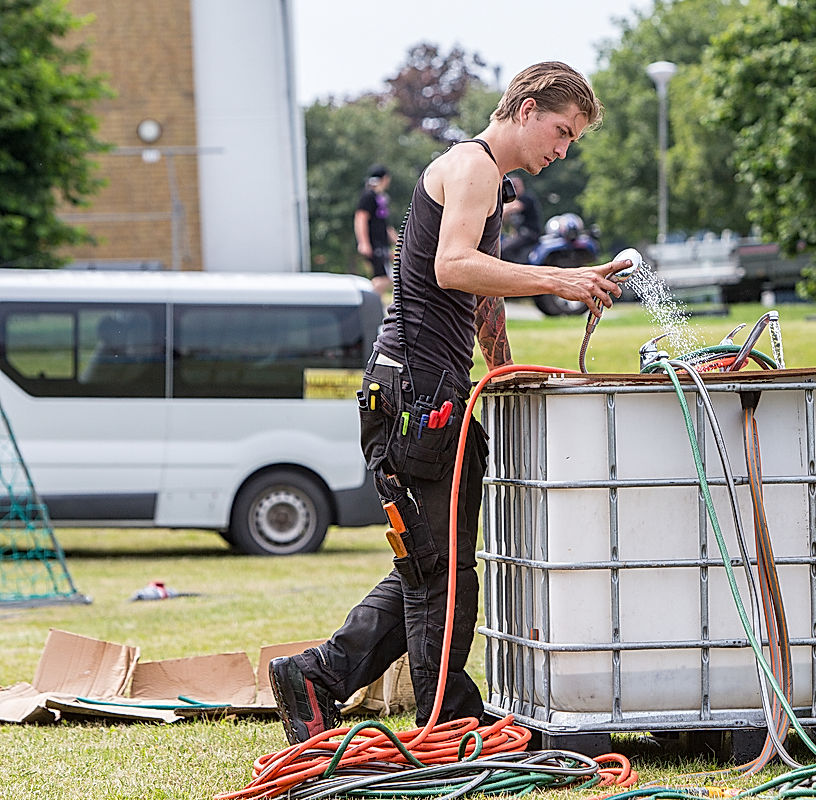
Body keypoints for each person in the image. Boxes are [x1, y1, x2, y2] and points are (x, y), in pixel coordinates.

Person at [268, 61, 629, 745]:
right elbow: (452, 266)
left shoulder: (491, 179)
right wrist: (563, 279)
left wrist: (508, 372)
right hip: (415, 393)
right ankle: (444, 717)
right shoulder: (473, 168)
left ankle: (316, 678)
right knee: (440, 569)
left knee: (432, 559)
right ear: (524, 109)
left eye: (573, 140)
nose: (562, 148)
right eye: (561, 131)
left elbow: (480, 295)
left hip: (428, 389)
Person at [355, 164, 399, 298]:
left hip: (382, 243)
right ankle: (367, 304)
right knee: (382, 278)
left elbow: (385, 225)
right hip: (374, 243)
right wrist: (363, 242)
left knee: (387, 277)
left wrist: (400, 242)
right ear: (385, 178)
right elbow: (360, 218)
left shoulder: (380, 198)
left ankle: (371, 304)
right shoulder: (368, 196)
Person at [500, 174, 542, 263]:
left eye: (516, 186)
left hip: (530, 233)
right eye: (513, 186)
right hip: (521, 234)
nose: (515, 189)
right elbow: (509, 222)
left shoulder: (526, 198)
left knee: (504, 249)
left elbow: (514, 207)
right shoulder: (512, 202)